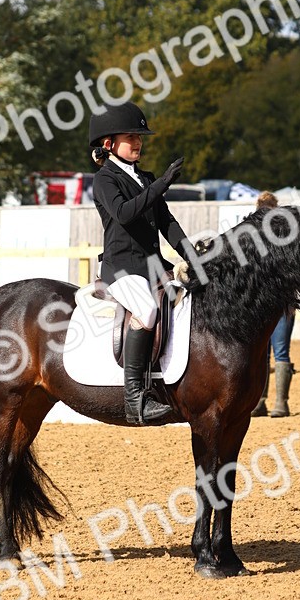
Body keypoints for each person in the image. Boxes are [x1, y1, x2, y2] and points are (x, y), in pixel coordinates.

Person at [90, 101, 193, 426]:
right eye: (130, 136)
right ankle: (135, 399)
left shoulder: (145, 179)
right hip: (120, 269)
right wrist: (162, 184)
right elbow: (124, 213)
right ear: (109, 144)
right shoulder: (105, 180)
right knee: (147, 310)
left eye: (139, 137)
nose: (137, 142)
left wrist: (194, 257)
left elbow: (168, 223)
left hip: (152, 266)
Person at [251, 191, 296, 417]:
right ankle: (275, 402)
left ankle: (270, 401)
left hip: (269, 303)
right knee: (277, 352)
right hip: (274, 304)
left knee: (267, 352)